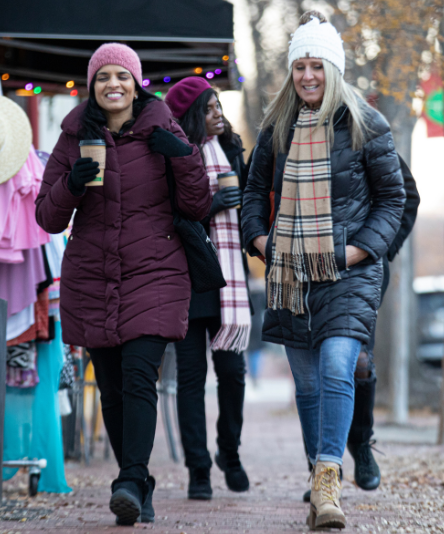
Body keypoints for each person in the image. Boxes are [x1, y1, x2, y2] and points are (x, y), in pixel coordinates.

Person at [241, 11, 406, 531]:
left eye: (317, 66)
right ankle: (319, 475)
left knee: (338, 367)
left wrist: (358, 252)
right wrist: (260, 240)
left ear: (333, 69)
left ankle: (329, 479)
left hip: (349, 270)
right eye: (299, 67)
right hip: (290, 272)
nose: (308, 76)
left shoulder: (365, 123)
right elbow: (251, 193)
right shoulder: (276, 127)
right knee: (308, 386)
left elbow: (393, 199)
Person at [35, 43, 211, 526]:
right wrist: (71, 183)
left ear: (137, 84)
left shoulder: (163, 129)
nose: (114, 84)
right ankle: (139, 481)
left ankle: (130, 480)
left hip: (155, 273)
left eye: (123, 76)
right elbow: (48, 218)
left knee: (138, 378)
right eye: (103, 77)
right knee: (111, 389)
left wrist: (184, 157)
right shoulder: (73, 136)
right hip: (92, 275)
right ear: (92, 86)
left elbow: (197, 206)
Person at [302, 158, 420, 502]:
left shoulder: (366, 130)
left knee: (356, 362)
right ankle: (322, 470)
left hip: (361, 269)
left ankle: (361, 443)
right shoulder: (291, 130)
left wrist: (380, 248)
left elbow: (406, 197)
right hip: (306, 265)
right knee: (312, 369)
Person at [164, 77, 251, 500]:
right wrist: (215, 204)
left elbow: (251, 203)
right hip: (189, 277)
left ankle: (229, 452)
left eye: (219, 107)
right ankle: (199, 469)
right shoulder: (175, 155)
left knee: (233, 374)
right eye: (210, 109)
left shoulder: (233, 149)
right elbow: (171, 216)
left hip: (230, 280)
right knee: (191, 378)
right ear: (194, 117)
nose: (219, 115)